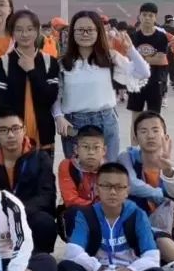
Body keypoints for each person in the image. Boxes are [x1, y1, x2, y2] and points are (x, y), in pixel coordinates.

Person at [57, 162, 167, 271]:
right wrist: (99, 269)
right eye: (107, 186)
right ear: (97, 189)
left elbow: (152, 256)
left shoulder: (137, 215)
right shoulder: (86, 215)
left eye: (119, 187)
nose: (113, 192)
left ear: (127, 190)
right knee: (65, 268)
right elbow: (73, 251)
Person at [53, 10, 150, 161]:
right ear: (72, 33)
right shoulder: (63, 63)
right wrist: (58, 116)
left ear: (98, 32)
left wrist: (130, 50)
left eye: (90, 30)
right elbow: (55, 95)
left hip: (106, 121)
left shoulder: (110, 57)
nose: (85, 34)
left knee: (108, 172)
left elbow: (143, 72)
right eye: (80, 30)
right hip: (73, 125)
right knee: (78, 172)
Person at [0, 10, 59, 158]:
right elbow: (0, 102)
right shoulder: (4, 62)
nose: (25, 34)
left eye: (30, 29)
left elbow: (50, 97)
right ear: (12, 32)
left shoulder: (49, 62)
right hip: (13, 140)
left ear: (37, 31)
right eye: (19, 30)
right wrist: (16, 130)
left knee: (43, 172)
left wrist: (32, 71)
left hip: (44, 137)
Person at [0, 112, 57, 254]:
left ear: (24, 130)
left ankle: (40, 258)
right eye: (3, 130)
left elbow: (47, 195)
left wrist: (18, 211)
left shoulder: (40, 157)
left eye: (15, 128)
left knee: (45, 222)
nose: (10, 135)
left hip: (29, 213)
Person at [117, 112, 174, 236]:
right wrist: (163, 198)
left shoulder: (170, 167)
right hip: (135, 225)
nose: (150, 136)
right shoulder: (127, 158)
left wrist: (168, 171)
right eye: (144, 131)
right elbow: (131, 184)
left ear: (166, 137)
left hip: (166, 227)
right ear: (135, 138)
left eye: (155, 131)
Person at [58, 126, 107, 238]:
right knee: (73, 212)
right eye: (85, 147)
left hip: (102, 213)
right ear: (76, 149)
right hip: (79, 212)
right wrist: (94, 205)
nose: (91, 152)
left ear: (104, 151)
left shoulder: (109, 169)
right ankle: (75, 245)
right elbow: (70, 200)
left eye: (96, 147)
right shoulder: (67, 166)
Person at [127, 3, 170, 114]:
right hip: (137, 81)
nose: (147, 18)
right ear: (139, 16)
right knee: (136, 115)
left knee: (154, 115)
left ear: (155, 18)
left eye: (151, 15)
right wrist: (150, 58)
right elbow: (129, 58)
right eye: (144, 15)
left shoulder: (161, 37)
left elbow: (160, 59)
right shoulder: (133, 37)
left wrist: (138, 59)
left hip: (155, 80)